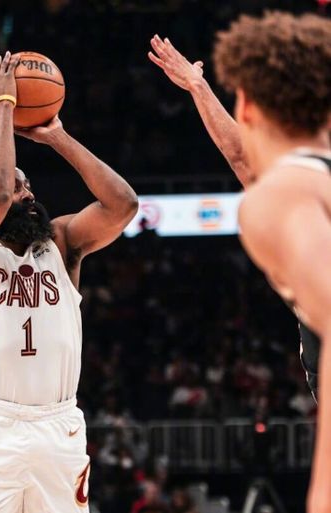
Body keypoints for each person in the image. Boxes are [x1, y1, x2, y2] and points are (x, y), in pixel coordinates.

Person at [150, 11, 331, 513]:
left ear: (248, 105)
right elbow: (244, 160)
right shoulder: (305, 182)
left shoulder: (283, 198)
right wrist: (198, 88)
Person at [0, 51, 138, 512]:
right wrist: (4, 104)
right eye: (18, 187)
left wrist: (58, 138)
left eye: (28, 184)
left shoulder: (62, 242)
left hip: (59, 426)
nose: (27, 194)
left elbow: (124, 205)